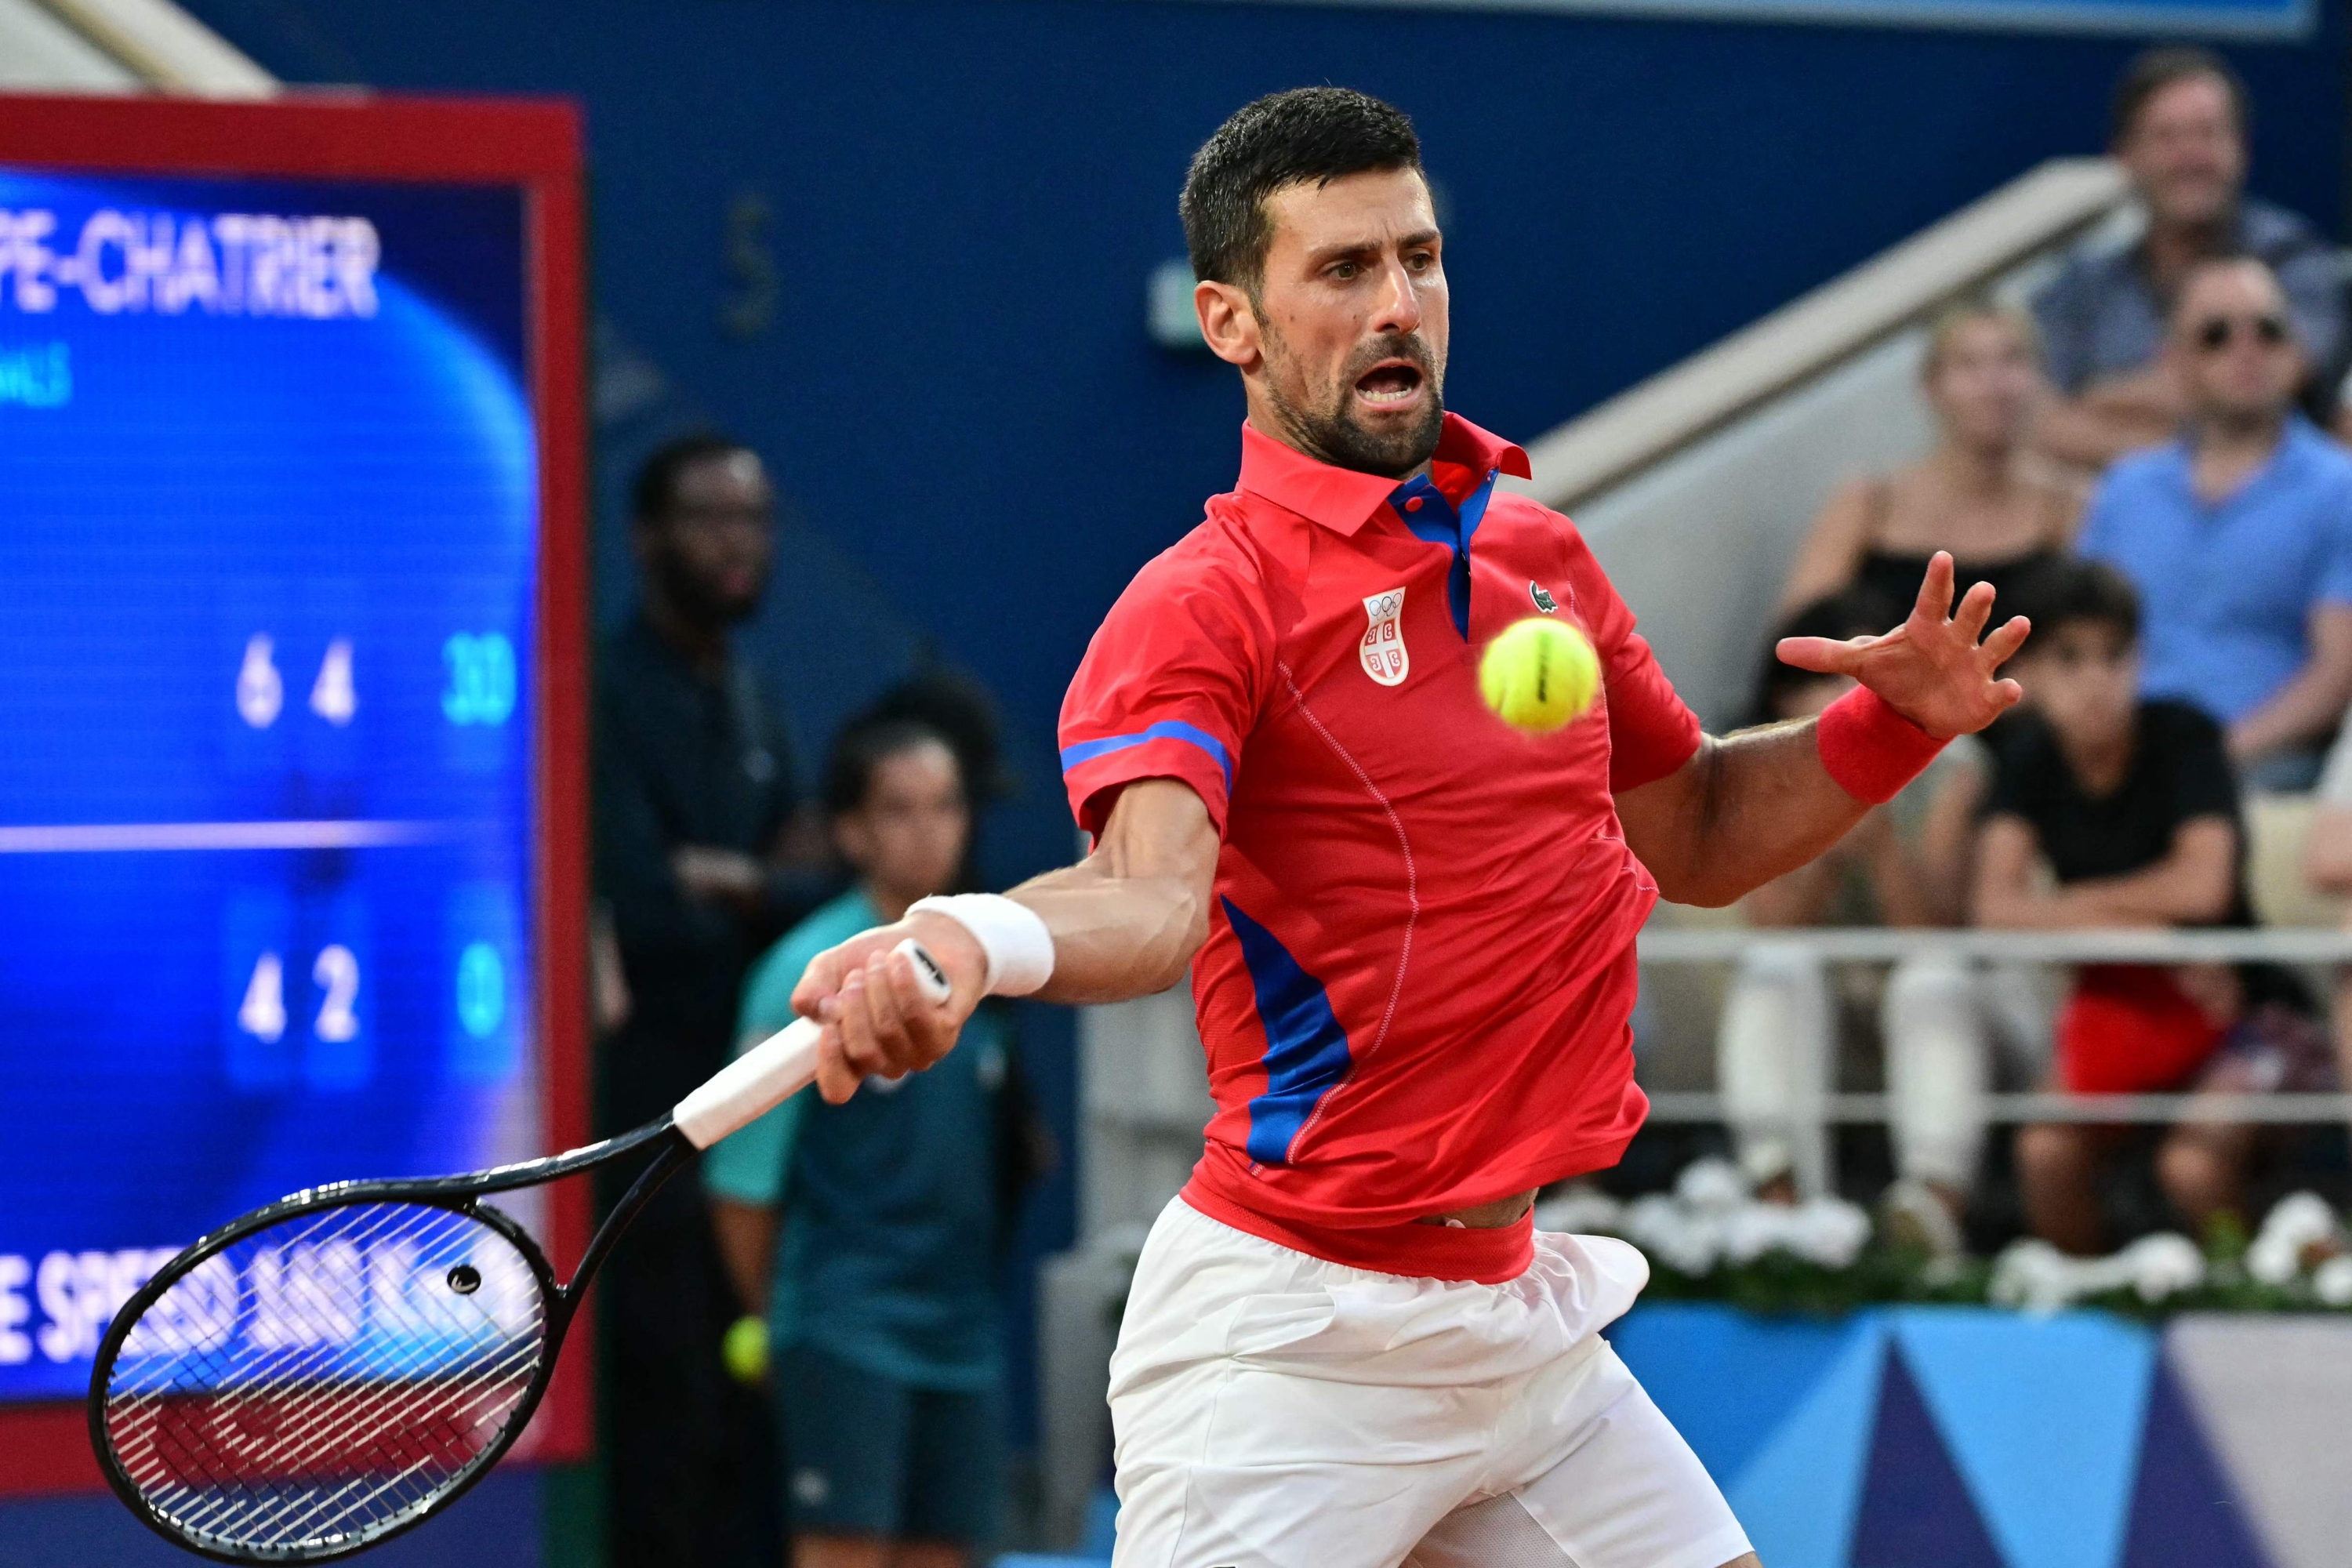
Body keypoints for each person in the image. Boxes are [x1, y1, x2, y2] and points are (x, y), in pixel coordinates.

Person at [773, 89, 2025, 1568]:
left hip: (1517, 1323)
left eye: (1418, 259)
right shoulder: (1200, 607)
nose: (1398, 306)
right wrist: (972, 938)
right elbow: (1149, 897)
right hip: (1290, 1346)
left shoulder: (1534, 556)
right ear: (1231, 323)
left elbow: (1692, 828)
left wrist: (1894, 726)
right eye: (1343, 271)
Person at [709, 716, 1011, 1568]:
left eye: (947, 806)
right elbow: (742, 1183)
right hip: (845, 1328)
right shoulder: (803, 972)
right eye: (900, 809)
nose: (930, 830)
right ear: (852, 830)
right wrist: (782, 1322)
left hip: (962, 1333)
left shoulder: (982, 957)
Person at [594, 433, 821, 1568]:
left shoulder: (754, 695)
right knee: (667, 1431)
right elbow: (644, 907)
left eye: (755, 517)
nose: (740, 542)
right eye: (710, 517)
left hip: (764, 1119)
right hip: (646, 1138)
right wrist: (753, 885)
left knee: (753, 1443)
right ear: (647, 538)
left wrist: (736, 879)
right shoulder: (604, 694)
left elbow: (821, 875)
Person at [1979, 560, 2330, 1254]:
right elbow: (1993, 909)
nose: (2095, 681)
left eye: (2114, 656)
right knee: (2045, 1156)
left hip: (2241, 1011)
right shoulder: (2026, 761)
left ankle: (2249, 1311)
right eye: (2068, 659)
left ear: (2140, 659)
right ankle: (2103, 1321)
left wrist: (2072, 902)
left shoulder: (2185, 736)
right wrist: (2148, 931)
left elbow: (2205, 889)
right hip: (2118, 1010)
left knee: (2193, 1165)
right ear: (2032, 674)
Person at [1715, 593, 1988, 1208]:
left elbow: (1934, 935)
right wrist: (1829, 828)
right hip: (1831, 1010)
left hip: (1957, 1011)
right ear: (1788, 700)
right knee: (1774, 967)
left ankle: (1934, 1205)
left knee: (1930, 979)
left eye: (1881, 674)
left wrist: (1881, 835)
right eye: (1843, 678)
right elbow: (1771, 924)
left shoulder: (1956, 766)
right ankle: (1777, 1199)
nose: (1867, 694)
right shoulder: (1757, 766)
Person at [2074, 256, 2352, 792]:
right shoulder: (2125, 488)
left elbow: (2336, 674)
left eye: (2268, 330)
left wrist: (2212, 758)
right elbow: (2077, 642)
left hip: (2261, 762)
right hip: (2115, 758)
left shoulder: (2340, 488)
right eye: (2216, 335)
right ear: (2173, 361)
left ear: (2294, 351)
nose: (2247, 349)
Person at [2034, 45, 2347, 471]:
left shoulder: (2294, 259)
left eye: (2209, 133)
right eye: (2168, 137)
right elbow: (2041, 425)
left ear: (2241, 148)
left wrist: (2102, 401)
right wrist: (2215, 430)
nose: (2192, 157)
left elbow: (2270, 381)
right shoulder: (2082, 287)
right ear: (2124, 156)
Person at [1778, 299, 2078, 617]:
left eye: (2012, 360)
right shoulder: (1870, 503)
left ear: (2041, 379)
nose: (1994, 385)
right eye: (1969, 364)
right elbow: (1802, 635)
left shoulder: (2069, 504)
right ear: (1931, 385)